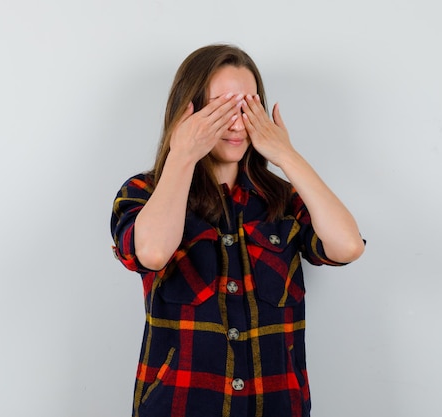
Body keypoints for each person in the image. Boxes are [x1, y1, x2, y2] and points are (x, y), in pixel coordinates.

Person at [110, 44, 365, 417]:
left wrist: (287, 155)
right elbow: (150, 252)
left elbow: (347, 246)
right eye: (222, 106)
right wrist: (182, 153)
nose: (236, 121)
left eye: (248, 106)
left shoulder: (282, 199)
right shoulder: (143, 193)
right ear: (189, 110)